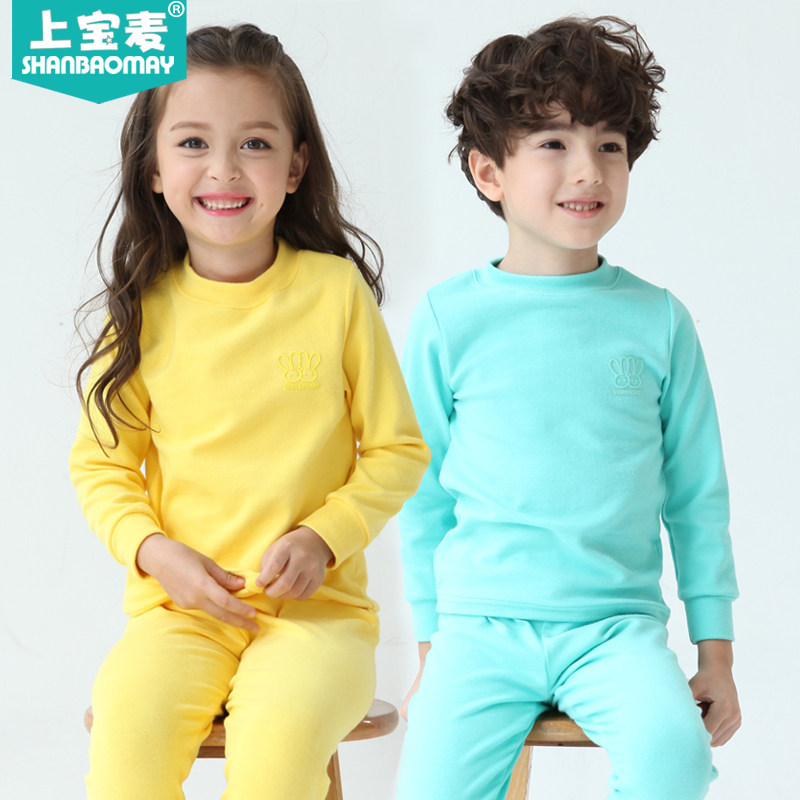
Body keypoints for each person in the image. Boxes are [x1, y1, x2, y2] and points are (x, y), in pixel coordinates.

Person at [69, 23, 428, 800]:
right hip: (177, 615)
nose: (224, 168)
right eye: (193, 142)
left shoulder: (334, 293)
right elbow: (101, 466)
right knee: (126, 748)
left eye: (255, 144)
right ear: (154, 168)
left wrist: (323, 537)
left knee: (274, 755)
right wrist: (154, 552)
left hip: (317, 622)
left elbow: (397, 449)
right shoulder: (140, 311)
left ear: (295, 166)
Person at [396, 16, 740, 800]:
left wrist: (715, 655)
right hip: (479, 630)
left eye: (609, 145)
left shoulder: (659, 321)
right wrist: (430, 647)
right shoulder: (449, 318)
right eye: (553, 142)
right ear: (489, 172)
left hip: (616, 630)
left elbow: (697, 498)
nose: (588, 169)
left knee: (675, 758)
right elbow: (422, 493)